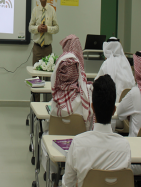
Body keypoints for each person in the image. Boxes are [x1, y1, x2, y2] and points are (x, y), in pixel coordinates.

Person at [62, 75, 131, 187]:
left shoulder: (78, 144)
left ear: (92, 108)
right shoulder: (125, 147)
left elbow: (67, 184)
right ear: (114, 110)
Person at [41, 34, 93, 180]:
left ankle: (53, 177)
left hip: (58, 148)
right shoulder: (86, 97)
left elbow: (49, 126)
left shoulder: (56, 102)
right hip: (81, 150)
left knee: (45, 136)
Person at [95, 37, 135, 102]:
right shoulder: (126, 62)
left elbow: (97, 82)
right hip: (128, 101)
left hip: (111, 102)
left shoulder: (107, 63)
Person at [29, 0, 59, 65]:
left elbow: (57, 28)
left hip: (47, 48)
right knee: (35, 73)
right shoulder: (35, 10)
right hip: (37, 48)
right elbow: (30, 27)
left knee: (47, 74)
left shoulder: (52, 10)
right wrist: (38, 28)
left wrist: (47, 29)